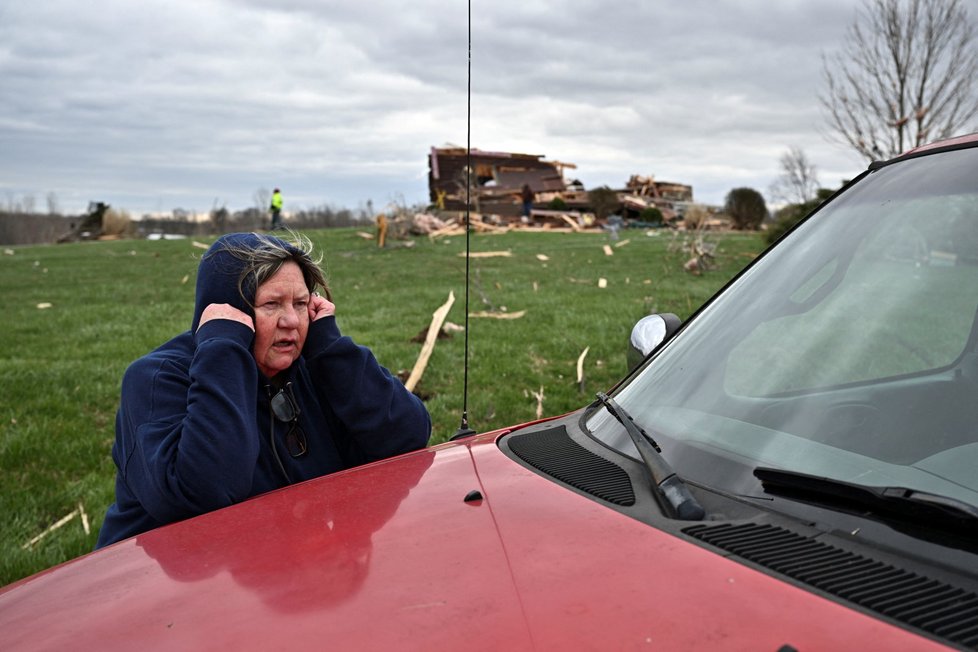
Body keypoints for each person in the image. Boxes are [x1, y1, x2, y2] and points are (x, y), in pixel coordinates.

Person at [95, 231, 431, 548]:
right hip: (153, 589)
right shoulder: (157, 379)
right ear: (228, 312)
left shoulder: (314, 366)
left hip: (274, 557)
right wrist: (225, 351)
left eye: (301, 304)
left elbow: (406, 436)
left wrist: (330, 347)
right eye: (271, 304)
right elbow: (204, 494)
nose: (292, 321)